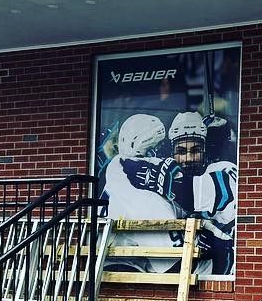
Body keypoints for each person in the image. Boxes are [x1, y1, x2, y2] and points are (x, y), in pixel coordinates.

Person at [101, 114, 185, 272]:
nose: (165, 155)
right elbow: (173, 264)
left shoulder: (117, 173)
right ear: (149, 153)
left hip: (107, 268)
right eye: (160, 147)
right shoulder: (146, 198)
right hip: (125, 272)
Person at [169, 110, 238, 276]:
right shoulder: (175, 178)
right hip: (195, 269)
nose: (188, 159)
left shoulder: (223, 169)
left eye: (195, 150)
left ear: (205, 150)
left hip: (229, 269)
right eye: (181, 151)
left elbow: (191, 193)